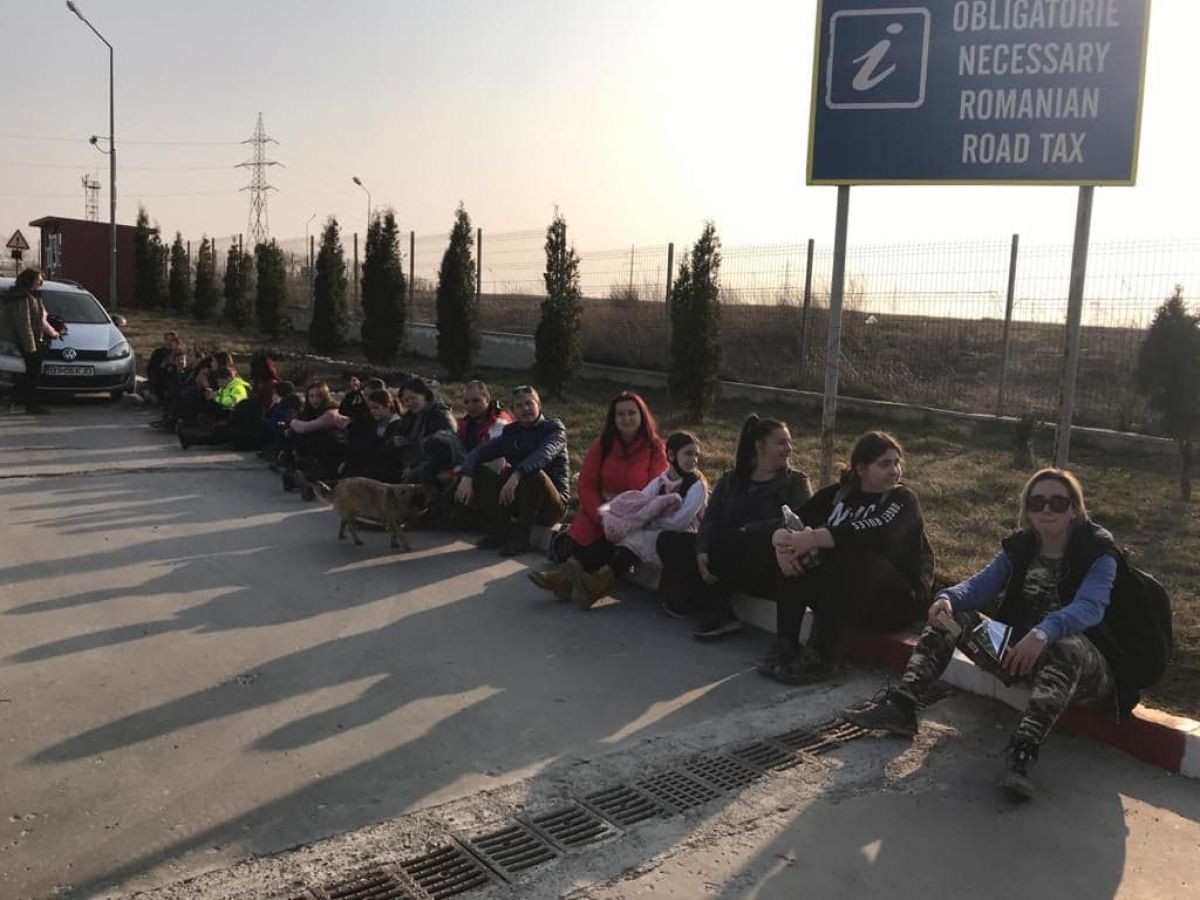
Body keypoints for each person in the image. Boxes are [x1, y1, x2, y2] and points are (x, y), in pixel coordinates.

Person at [845, 468, 1123, 800]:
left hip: (1086, 672)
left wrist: (1043, 632)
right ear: (1027, 509)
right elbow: (980, 585)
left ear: (1074, 509)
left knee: (1068, 644)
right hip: (1020, 653)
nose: (1047, 510)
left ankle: (1022, 752)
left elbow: (1091, 606)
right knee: (951, 617)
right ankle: (902, 706)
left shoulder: (1097, 551)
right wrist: (947, 599)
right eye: (1037, 503)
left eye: (1058, 503)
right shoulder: (1021, 546)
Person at [762, 431, 934, 684]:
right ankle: (785, 644)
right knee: (794, 554)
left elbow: (876, 531)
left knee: (857, 560)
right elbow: (794, 518)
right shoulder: (839, 495)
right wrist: (781, 541)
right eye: (885, 464)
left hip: (894, 603)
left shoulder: (902, 499)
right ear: (861, 468)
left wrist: (814, 538)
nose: (894, 471)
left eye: (896, 463)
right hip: (845, 600)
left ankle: (822, 658)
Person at [657, 415, 812, 640]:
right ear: (759, 446)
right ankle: (719, 611)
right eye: (781, 443)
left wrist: (747, 532)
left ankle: (701, 601)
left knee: (728, 542)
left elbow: (799, 520)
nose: (789, 449)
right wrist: (701, 550)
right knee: (668, 541)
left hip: (763, 563)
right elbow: (711, 519)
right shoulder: (732, 479)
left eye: (789, 442)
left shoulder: (796, 482)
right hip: (722, 555)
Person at [528, 391, 667, 608]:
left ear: (642, 416)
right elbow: (586, 484)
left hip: (637, 513)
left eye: (632, 413)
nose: (627, 418)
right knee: (584, 535)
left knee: (613, 541)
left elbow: (656, 488)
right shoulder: (602, 445)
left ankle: (564, 580)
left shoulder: (655, 448)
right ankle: (569, 581)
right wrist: (602, 515)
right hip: (602, 509)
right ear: (613, 418)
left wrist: (624, 517)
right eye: (620, 414)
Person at [455, 385, 570, 556]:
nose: (525, 409)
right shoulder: (511, 433)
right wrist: (467, 476)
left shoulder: (554, 429)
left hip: (551, 505)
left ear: (539, 405)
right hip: (521, 498)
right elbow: (477, 453)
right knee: (478, 472)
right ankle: (501, 530)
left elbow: (543, 455)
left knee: (534, 474)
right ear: (513, 411)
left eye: (529, 403)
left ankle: (521, 538)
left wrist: (517, 474)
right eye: (519, 405)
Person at [1, 268, 60, 415]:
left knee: (31, 374)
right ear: (29, 281)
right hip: (20, 342)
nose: (41, 282)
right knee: (30, 374)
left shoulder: (32, 297)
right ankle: (28, 403)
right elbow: (23, 324)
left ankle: (23, 401)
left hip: (31, 341)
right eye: (38, 280)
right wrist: (31, 347)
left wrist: (53, 332)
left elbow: (40, 321)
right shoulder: (21, 298)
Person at [395, 377, 462, 487]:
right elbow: (398, 435)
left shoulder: (440, 416)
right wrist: (395, 442)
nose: (410, 403)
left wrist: (413, 467)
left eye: (413, 398)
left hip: (433, 467)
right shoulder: (410, 416)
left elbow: (443, 450)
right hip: (409, 462)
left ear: (424, 395)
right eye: (406, 400)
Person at [342, 388, 408, 482]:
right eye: (371, 409)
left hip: (386, 471)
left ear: (387, 406)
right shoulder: (373, 424)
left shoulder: (399, 425)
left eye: (376, 408)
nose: (373, 411)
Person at [457, 380, 513, 455]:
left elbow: (495, 457)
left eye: (476, 401)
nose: (470, 406)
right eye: (466, 402)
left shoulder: (499, 423)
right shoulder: (466, 423)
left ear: (487, 399)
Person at [146, 331, 180, 405]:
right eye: (167, 340)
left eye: (171, 340)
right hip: (158, 379)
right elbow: (151, 368)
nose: (169, 342)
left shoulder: (179, 354)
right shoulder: (158, 353)